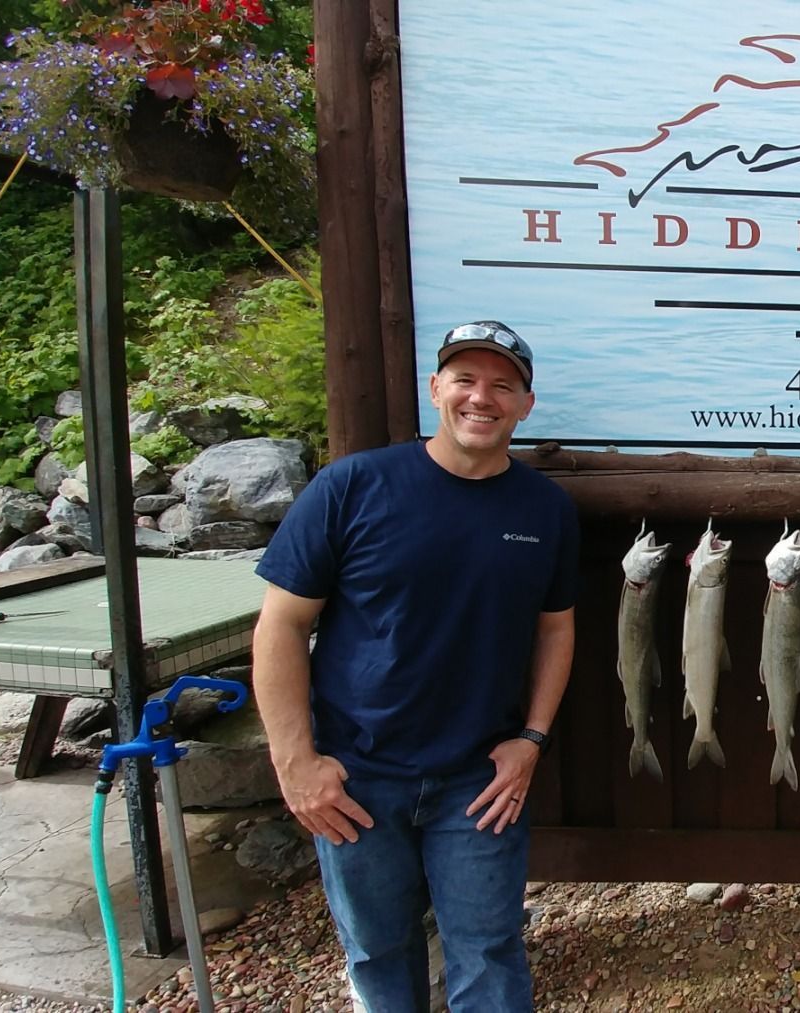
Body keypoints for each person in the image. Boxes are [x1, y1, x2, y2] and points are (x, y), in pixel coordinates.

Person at [251, 320, 579, 1012]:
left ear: (526, 403)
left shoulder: (546, 508)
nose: (480, 397)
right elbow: (281, 624)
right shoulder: (351, 487)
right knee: (376, 952)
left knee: (489, 952)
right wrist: (295, 763)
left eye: (502, 385)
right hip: (356, 778)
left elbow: (556, 629)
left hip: (479, 781)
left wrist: (532, 739)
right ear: (436, 388)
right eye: (465, 378)